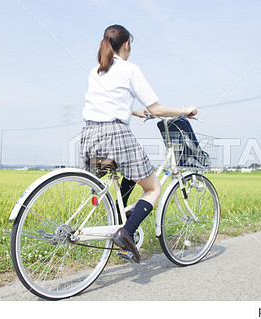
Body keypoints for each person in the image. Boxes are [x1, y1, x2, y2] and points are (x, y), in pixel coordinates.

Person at [80, 25, 197, 263]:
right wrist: (185, 110)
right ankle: (127, 232)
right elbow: (157, 108)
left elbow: (106, 104)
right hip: (115, 136)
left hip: (89, 138)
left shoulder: (96, 71)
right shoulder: (130, 69)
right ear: (126, 45)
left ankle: (118, 219)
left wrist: (133, 112)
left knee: (129, 175)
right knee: (153, 188)